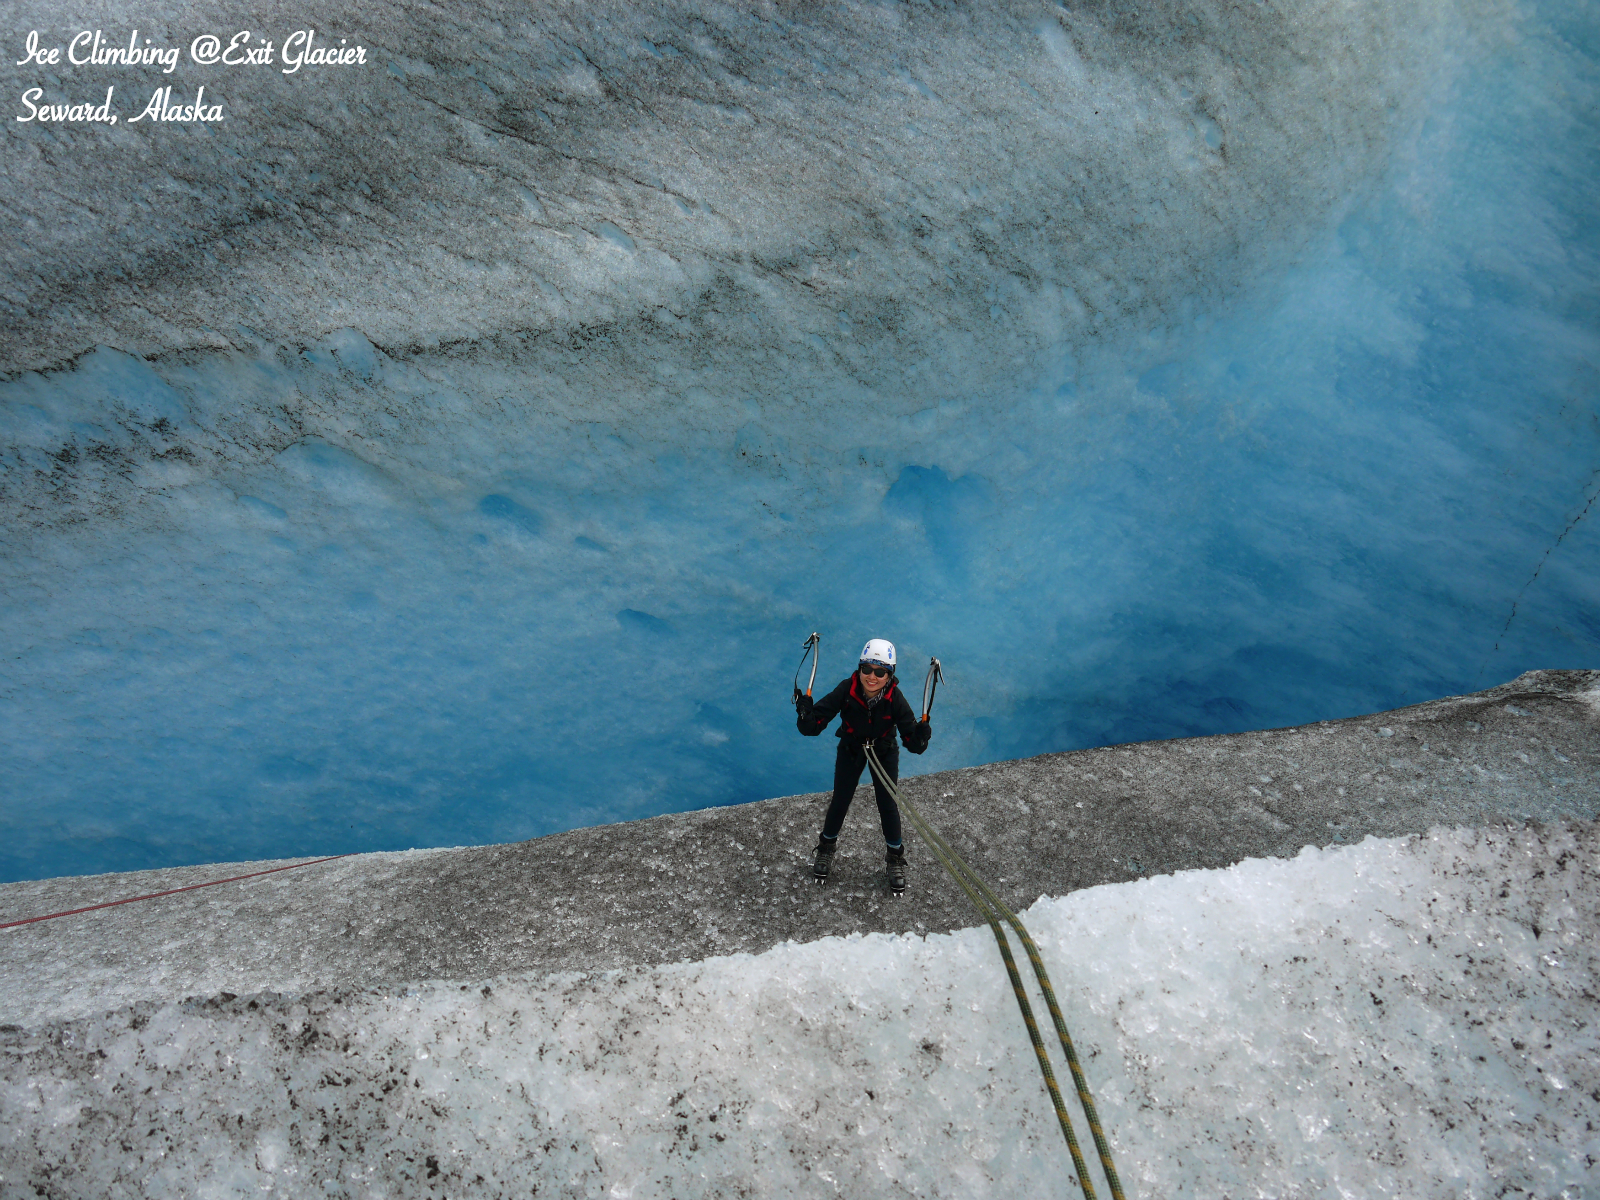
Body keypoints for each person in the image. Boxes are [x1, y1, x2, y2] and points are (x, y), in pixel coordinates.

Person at [794, 638, 931, 893]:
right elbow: (812, 727)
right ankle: (825, 849)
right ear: (859, 668)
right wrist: (805, 713)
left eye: (880, 672)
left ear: (890, 675)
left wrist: (922, 735)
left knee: (887, 805)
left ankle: (895, 859)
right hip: (851, 748)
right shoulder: (847, 689)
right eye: (867, 669)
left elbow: (913, 743)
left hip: (883, 751)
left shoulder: (895, 699)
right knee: (841, 800)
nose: (872, 676)